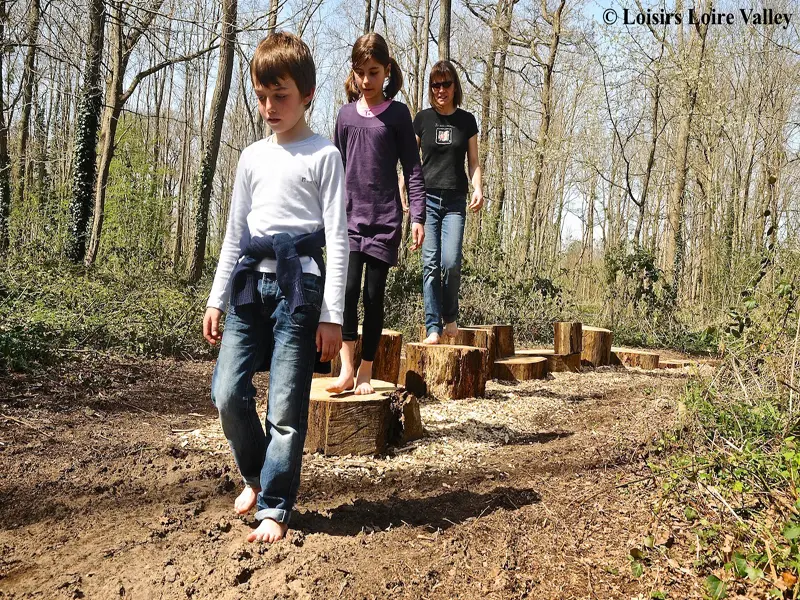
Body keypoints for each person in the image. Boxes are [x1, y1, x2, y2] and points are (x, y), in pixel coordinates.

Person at [202, 32, 349, 544]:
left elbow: (338, 239)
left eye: (280, 95)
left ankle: (275, 504)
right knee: (227, 391)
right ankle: (256, 474)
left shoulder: (323, 155)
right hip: (248, 286)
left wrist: (333, 316)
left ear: (307, 94)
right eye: (261, 96)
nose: (269, 106)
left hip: (299, 289)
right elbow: (233, 233)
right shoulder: (250, 158)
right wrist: (217, 296)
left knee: (285, 406)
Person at [326, 32, 426, 395]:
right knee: (348, 292)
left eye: (373, 72)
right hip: (348, 221)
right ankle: (347, 368)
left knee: (372, 296)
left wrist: (417, 215)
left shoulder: (398, 115)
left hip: (384, 221)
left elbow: (413, 169)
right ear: (353, 74)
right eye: (360, 72)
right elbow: (333, 169)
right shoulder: (345, 116)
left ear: (386, 71)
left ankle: (367, 369)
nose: (366, 81)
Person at [413, 61, 484, 345]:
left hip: (456, 200)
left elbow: (474, 162)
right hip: (427, 199)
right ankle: (433, 326)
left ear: (455, 86)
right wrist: (405, 191)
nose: (441, 90)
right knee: (429, 264)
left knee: (451, 262)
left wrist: (478, 188)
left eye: (446, 84)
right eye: (435, 85)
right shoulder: (422, 119)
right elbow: (410, 162)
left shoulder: (466, 121)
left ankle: (450, 316)